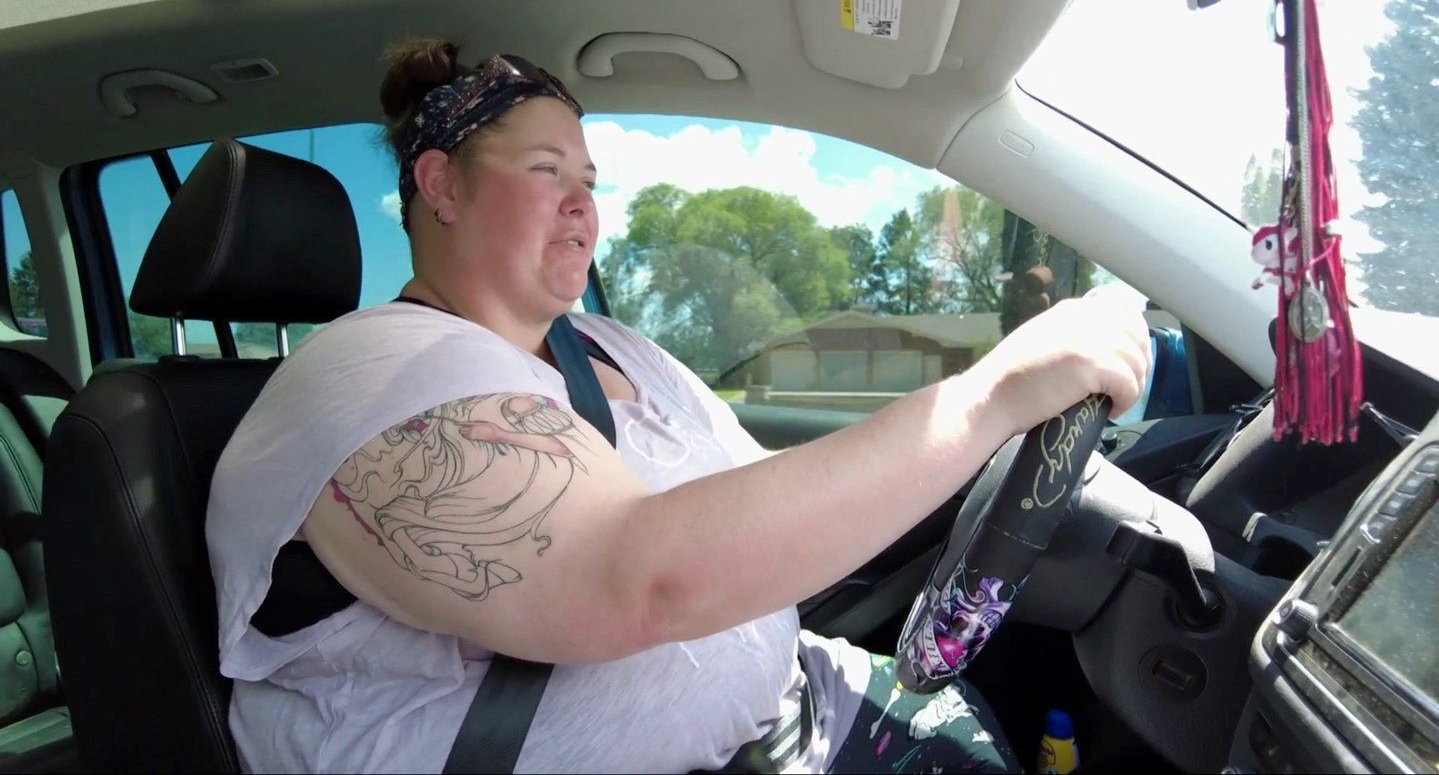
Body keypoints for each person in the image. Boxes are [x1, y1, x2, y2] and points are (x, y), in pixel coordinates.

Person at [206, 39, 1151, 774]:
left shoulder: (613, 348)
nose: (583, 208)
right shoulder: (368, 375)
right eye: (546, 173)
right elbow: (639, 580)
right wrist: (990, 393)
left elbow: (769, 504)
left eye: (589, 182)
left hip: (801, 715)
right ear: (441, 184)